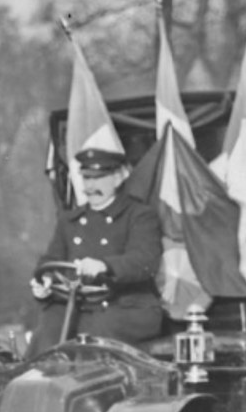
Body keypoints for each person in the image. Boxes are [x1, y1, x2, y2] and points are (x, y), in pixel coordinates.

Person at [28, 147, 164, 355]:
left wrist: (105, 266)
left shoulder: (139, 216)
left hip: (127, 307)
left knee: (95, 331)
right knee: (48, 327)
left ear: (118, 178)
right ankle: (40, 381)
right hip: (79, 306)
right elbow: (52, 259)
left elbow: (145, 260)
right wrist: (43, 281)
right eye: (86, 178)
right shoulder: (70, 220)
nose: (90, 187)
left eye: (98, 178)